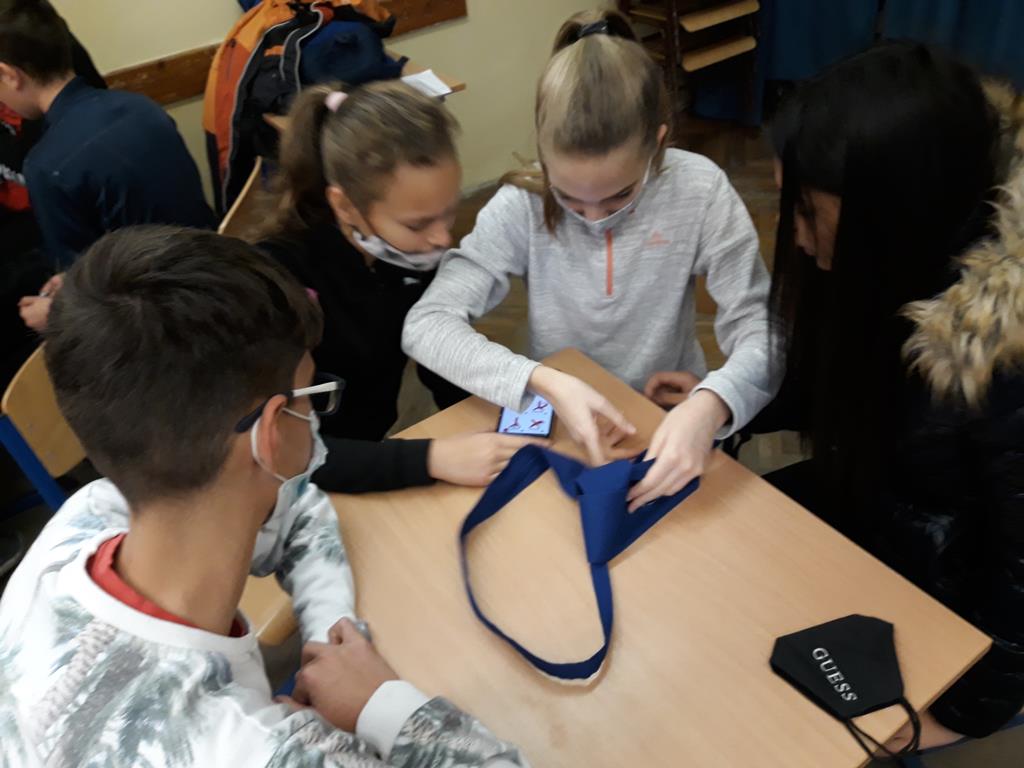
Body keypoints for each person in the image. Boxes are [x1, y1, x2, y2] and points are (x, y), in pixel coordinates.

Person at [0, 225, 527, 767]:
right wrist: (384, 707)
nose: (315, 415)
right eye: (312, 393)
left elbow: (300, 509)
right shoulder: (264, 752)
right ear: (270, 433)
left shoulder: (89, 515)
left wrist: (329, 638)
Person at [754, 43, 1024, 749]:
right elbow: (843, 381)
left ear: (890, 212)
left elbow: (1019, 583)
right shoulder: (897, 258)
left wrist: (945, 720)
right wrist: (726, 404)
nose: (796, 237)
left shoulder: (1005, 365)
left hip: (958, 590)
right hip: (891, 512)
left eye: (806, 211)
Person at [402, 10, 776, 509]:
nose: (596, 218)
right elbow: (426, 326)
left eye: (620, 196)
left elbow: (763, 329)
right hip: (560, 417)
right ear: (543, 153)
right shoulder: (521, 203)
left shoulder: (700, 190)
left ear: (657, 144)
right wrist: (543, 381)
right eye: (570, 199)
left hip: (664, 411)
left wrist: (714, 402)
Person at [259, 81, 544, 494]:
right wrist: (432, 458)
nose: (442, 239)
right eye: (418, 224)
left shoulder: (408, 255)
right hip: (303, 484)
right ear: (345, 205)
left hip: (372, 455)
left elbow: (440, 363)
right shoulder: (277, 282)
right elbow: (284, 455)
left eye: (449, 213)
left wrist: (517, 412)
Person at [0, 0, 214, 332]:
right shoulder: (141, 108)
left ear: (9, 75)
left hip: (162, 323)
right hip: (212, 279)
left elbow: (91, 303)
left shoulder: (46, 166)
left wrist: (53, 314)